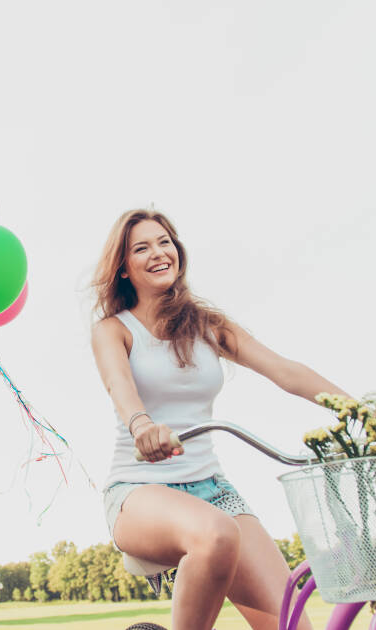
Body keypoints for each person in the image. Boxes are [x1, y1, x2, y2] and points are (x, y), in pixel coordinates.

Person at [91, 209, 349, 630]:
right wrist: (142, 426)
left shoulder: (208, 326)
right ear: (123, 267)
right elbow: (119, 387)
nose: (158, 253)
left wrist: (367, 413)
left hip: (213, 489)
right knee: (216, 534)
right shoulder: (112, 330)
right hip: (140, 489)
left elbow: (286, 371)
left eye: (164, 242)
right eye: (142, 247)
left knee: (292, 624)